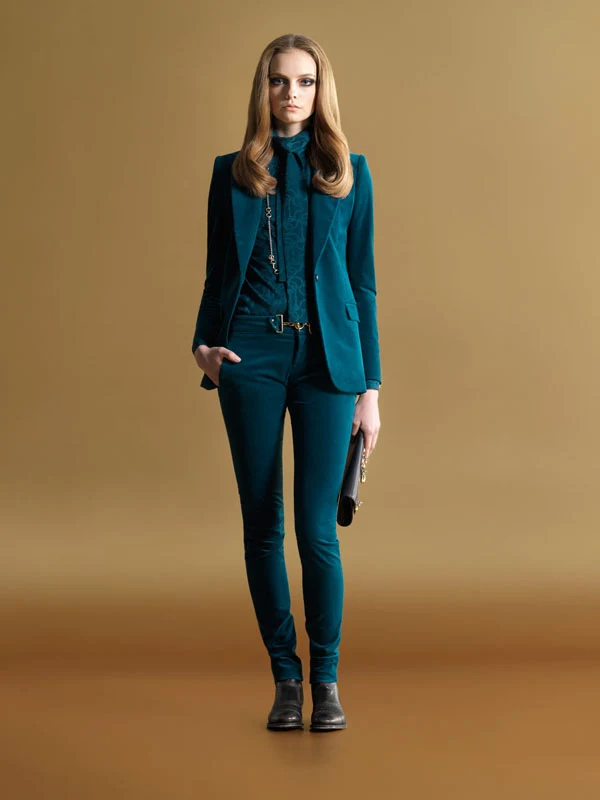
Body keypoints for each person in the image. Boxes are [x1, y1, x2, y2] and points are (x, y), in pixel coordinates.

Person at [191, 33, 382, 732]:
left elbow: (362, 285)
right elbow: (217, 272)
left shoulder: (349, 172)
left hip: (329, 364)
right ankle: (285, 681)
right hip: (251, 357)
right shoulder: (232, 173)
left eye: (304, 81)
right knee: (262, 525)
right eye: (279, 80)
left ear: (319, 90)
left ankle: (326, 680)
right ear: (263, 89)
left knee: (316, 531)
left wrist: (370, 388)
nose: (291, 93)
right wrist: (202, 349)